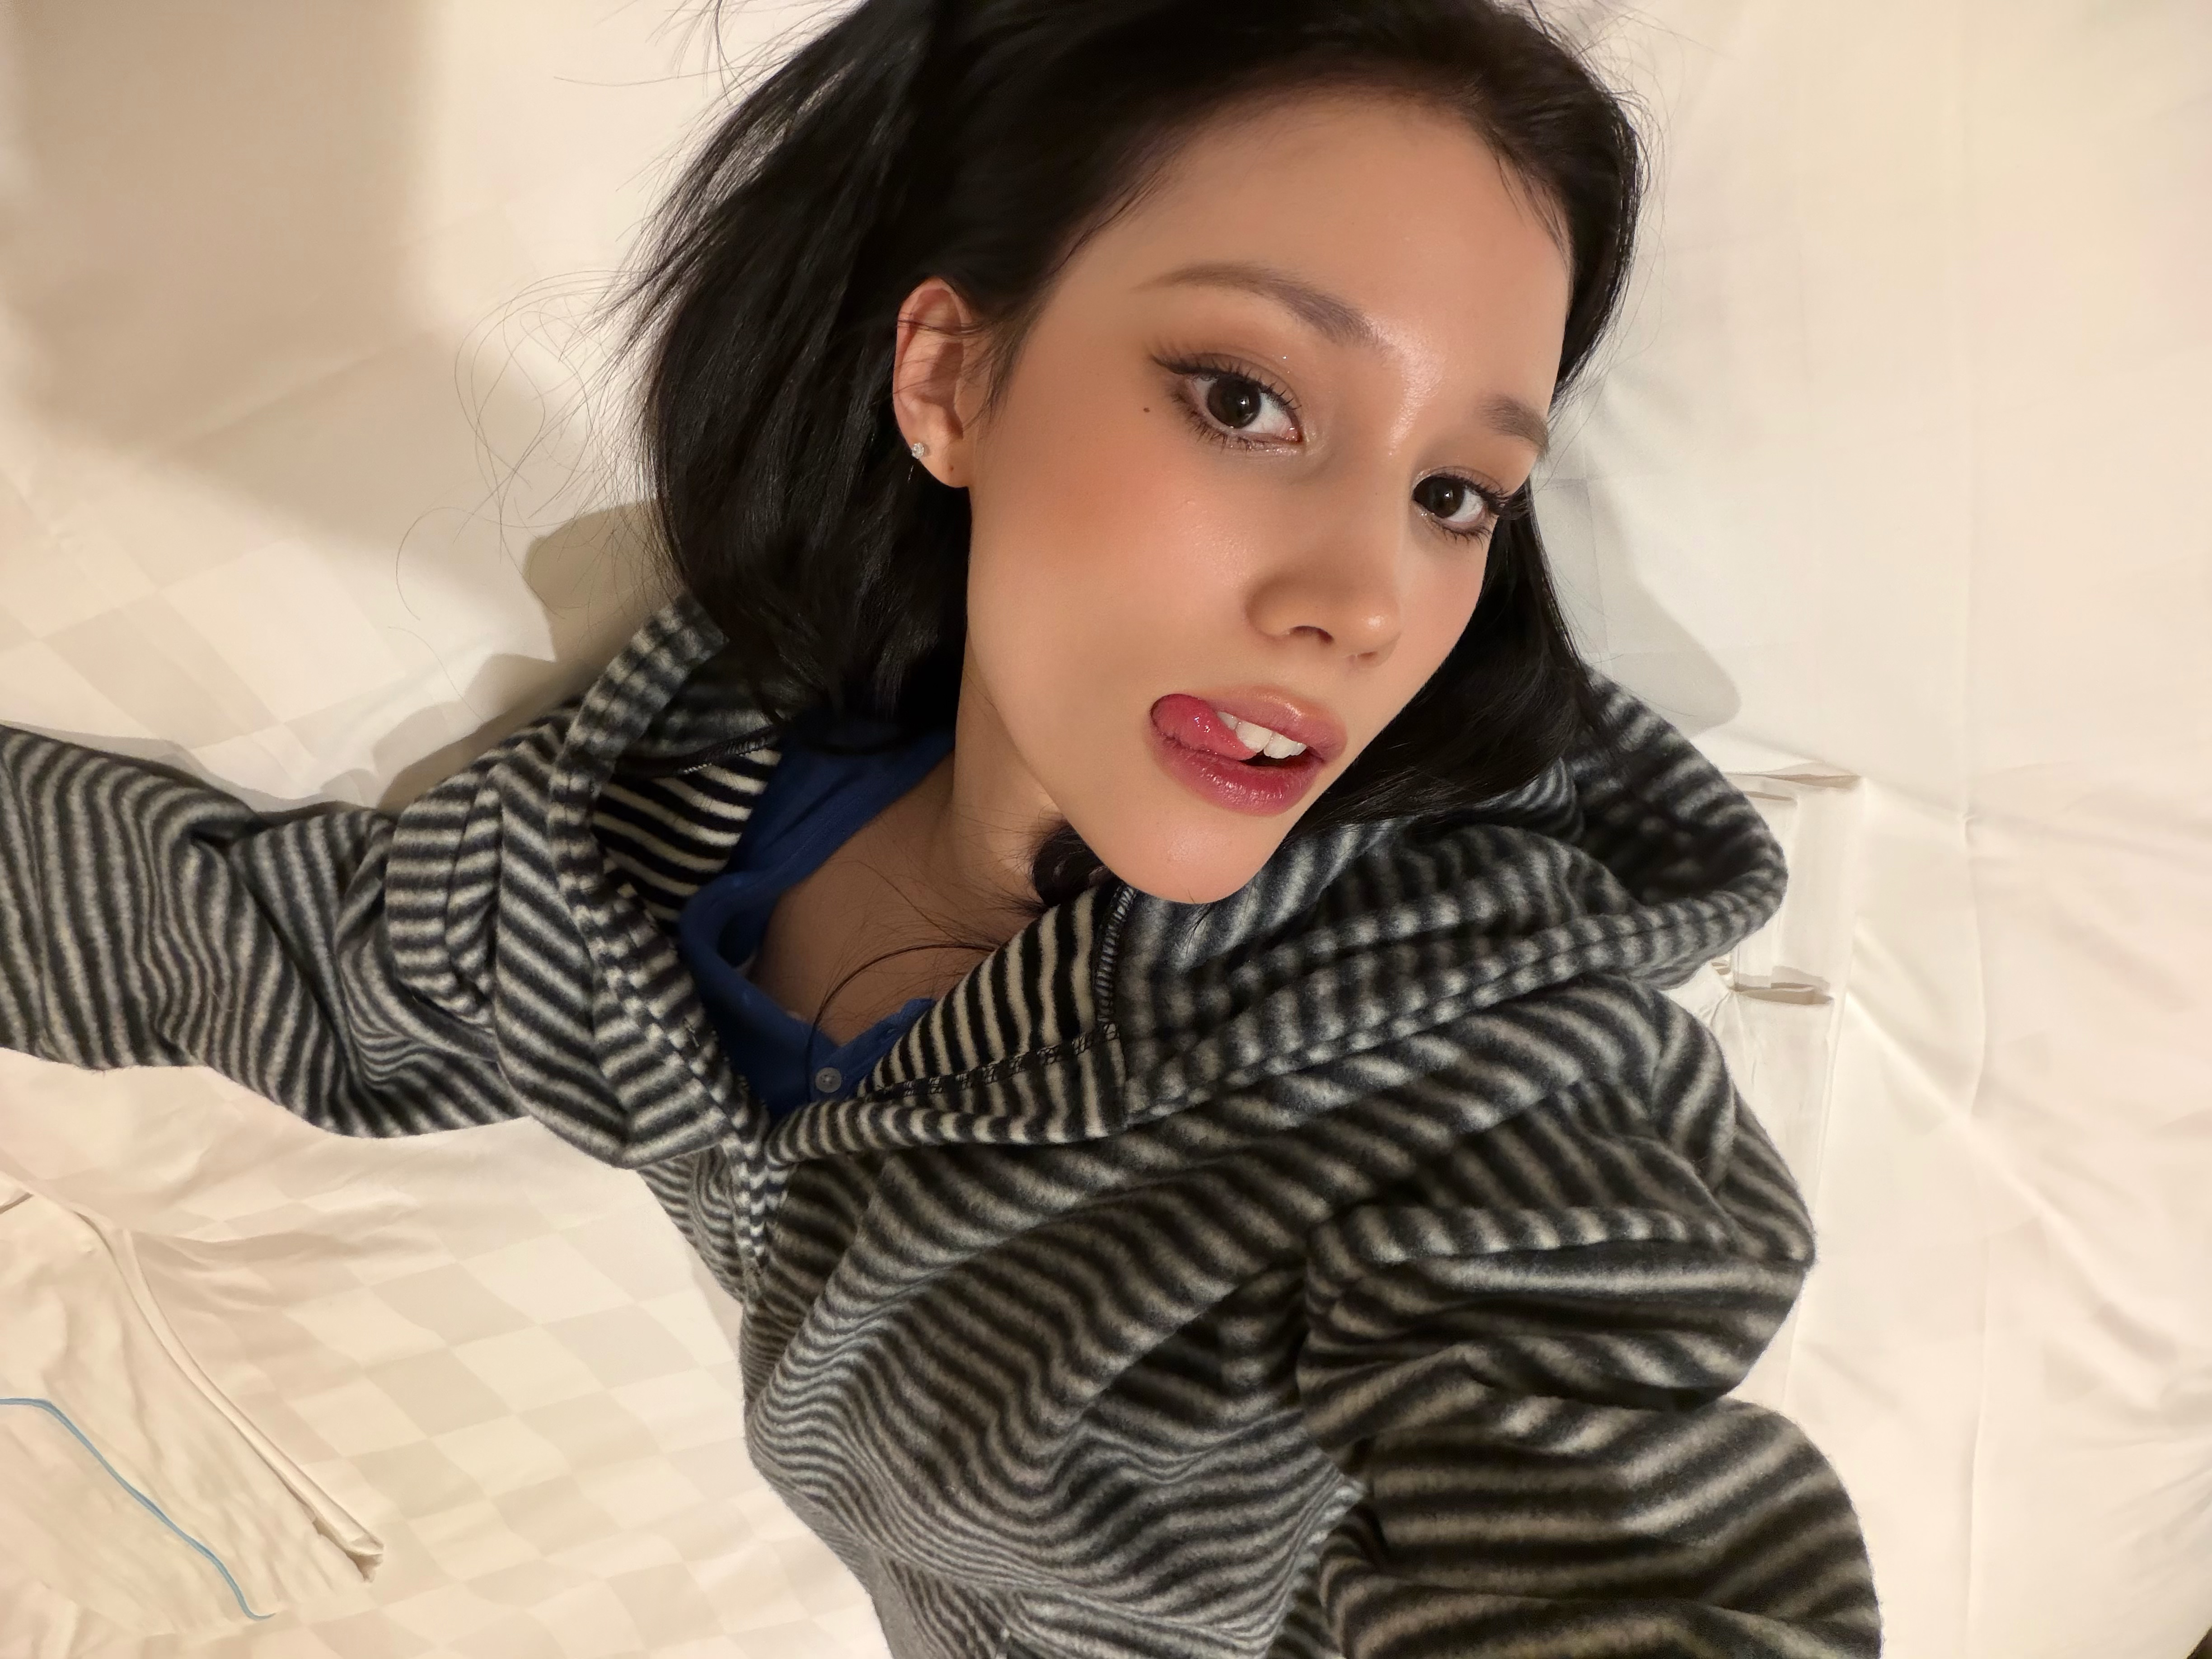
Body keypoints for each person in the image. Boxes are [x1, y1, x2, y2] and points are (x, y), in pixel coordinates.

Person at [0, 0, 1882, 1653]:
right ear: (951, 379)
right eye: (1246, 400)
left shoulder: (1469, 1078)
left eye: (1458, 494)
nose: (1366, 601)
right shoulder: (633, 855)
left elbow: (1611, 1493)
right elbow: (259, 950)